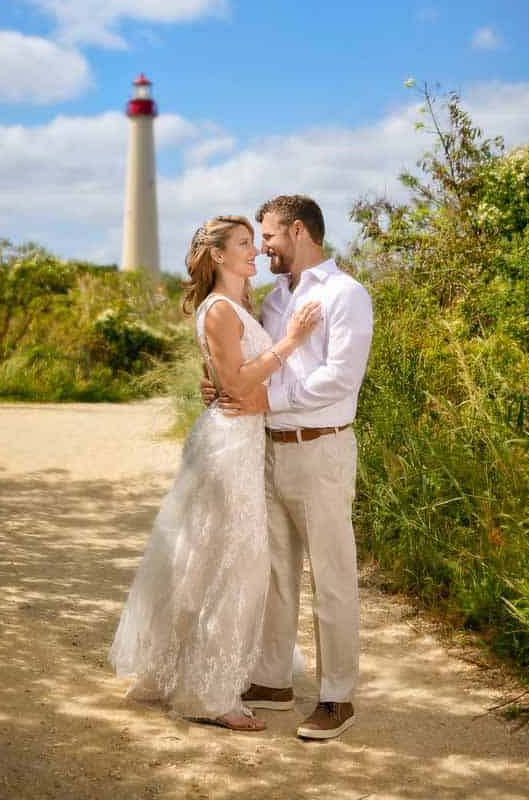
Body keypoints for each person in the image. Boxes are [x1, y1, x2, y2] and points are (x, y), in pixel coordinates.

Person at [108, 215, 321, 731]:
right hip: (228, 446)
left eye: (254, 243)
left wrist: (223, 383)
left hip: (242, 439)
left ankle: (189, 673)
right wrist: (290, 341)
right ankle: (211, 694)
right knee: (239, 563)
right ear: (219, 257)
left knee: (212, 560)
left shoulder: (239, 305)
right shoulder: (222, 309)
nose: (254, 253)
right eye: (245, 245)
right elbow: (235, 380)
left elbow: (222, 380)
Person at [203, 195, 372, 740]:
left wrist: (267, 400)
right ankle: (273, 680)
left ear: (298, 232)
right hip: (267, 450)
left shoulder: (346, 294)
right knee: (274, 573)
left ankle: (337, 697)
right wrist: (228, 386)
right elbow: (253, 368)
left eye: (269, 236)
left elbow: (340, 379)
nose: (264, 246)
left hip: (322, 450)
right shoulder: (275, 300)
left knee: (332, 577)